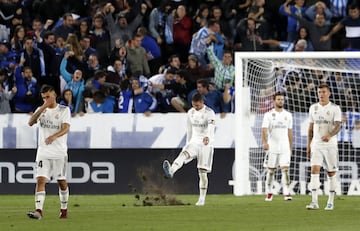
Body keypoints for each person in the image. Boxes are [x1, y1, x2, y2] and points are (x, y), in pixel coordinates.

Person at [163, 92, 216, 206]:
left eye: (197, 105)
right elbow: (189, 129)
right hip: (194, 142)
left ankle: (202, 199)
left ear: (202, 103)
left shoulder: (209, 113)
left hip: (206, 144)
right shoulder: (190, 112)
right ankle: (171, 171)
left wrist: (208, 137)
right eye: (193, 105)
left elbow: (211, 126)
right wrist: (187, 144)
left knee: (202, 173)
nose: (195, 108)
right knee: (183, 154)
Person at [27, 84, 71, 220]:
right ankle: (38, 211)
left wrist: (54, 136)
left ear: (54, 95)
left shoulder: (64, 110)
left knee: (61, 182)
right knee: (40, 180)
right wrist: (44, 107)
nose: (46, 99)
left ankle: (64, 210)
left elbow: (66, 128)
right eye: (44, 98)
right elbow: (30, 122)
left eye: (48, 97)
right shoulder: (41, 110)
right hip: (43, 151)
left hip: (59, 152)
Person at [306, 83, 342, 210]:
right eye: (319, 92)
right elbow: (310, 128)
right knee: (314, 171)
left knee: (331, 172)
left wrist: (330, 135)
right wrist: (308, 144)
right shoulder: (313, 108)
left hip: (330, 145)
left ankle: (330, 201)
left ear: (329, 93)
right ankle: (314, 202)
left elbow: (338, 125)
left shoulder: (335, 108)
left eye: (324, 92)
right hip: (316, 144)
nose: (321, 94)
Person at [262, 92, 293, 202]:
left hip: (284, 147)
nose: (281, 101)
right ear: (274, 101)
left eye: (282, 99)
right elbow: (264, 130)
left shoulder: (288, 115)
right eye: (279, 99)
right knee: (271, 171)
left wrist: (290, 147)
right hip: (272, 146)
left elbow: (290, 132)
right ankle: (269, 192)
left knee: (285, 170)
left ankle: (286, 193)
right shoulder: (268, 115)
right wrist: (265, 142)